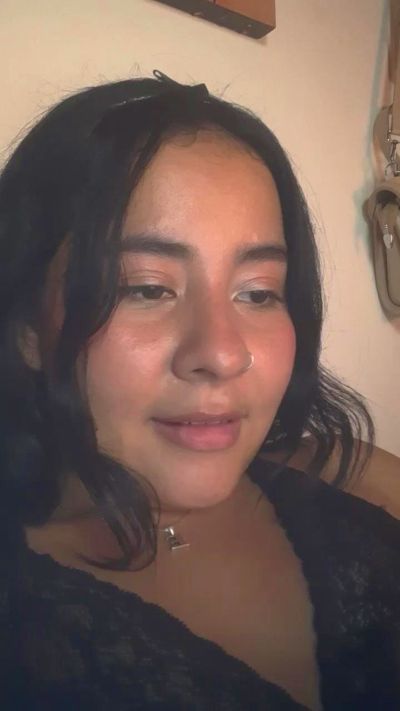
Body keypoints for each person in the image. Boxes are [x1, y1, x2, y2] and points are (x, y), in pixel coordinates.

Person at [0, 70, 399, 710]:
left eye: (258, 293)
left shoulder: (352, 478)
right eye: (147, 288)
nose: (221, 353)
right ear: (26, 330)